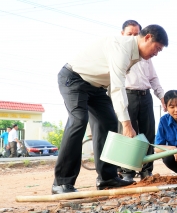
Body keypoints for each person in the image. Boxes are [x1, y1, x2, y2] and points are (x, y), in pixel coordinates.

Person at [53, 24, 169, 194]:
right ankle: (61, 183)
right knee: (79, 120)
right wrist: (128, 125)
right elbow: (117, 87)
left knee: (108, 122)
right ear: (147, 38)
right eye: (157, 48)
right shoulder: (122, 48)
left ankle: (107, 178)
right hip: (74, 79)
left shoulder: (136, 55)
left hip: (96, 87)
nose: (156, 53)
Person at [118, 20, 166, 182]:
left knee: (147, 134)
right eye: (129, 34)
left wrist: (161, 95)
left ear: (143, 37)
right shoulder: (120, 53)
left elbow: (153, 78)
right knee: (128, 134)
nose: (133, 37)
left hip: (145, 97)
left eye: (135, 34)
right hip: (128, 95)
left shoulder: (147, 56)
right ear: (122, 35)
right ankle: (127, 172)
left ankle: (147, 171)